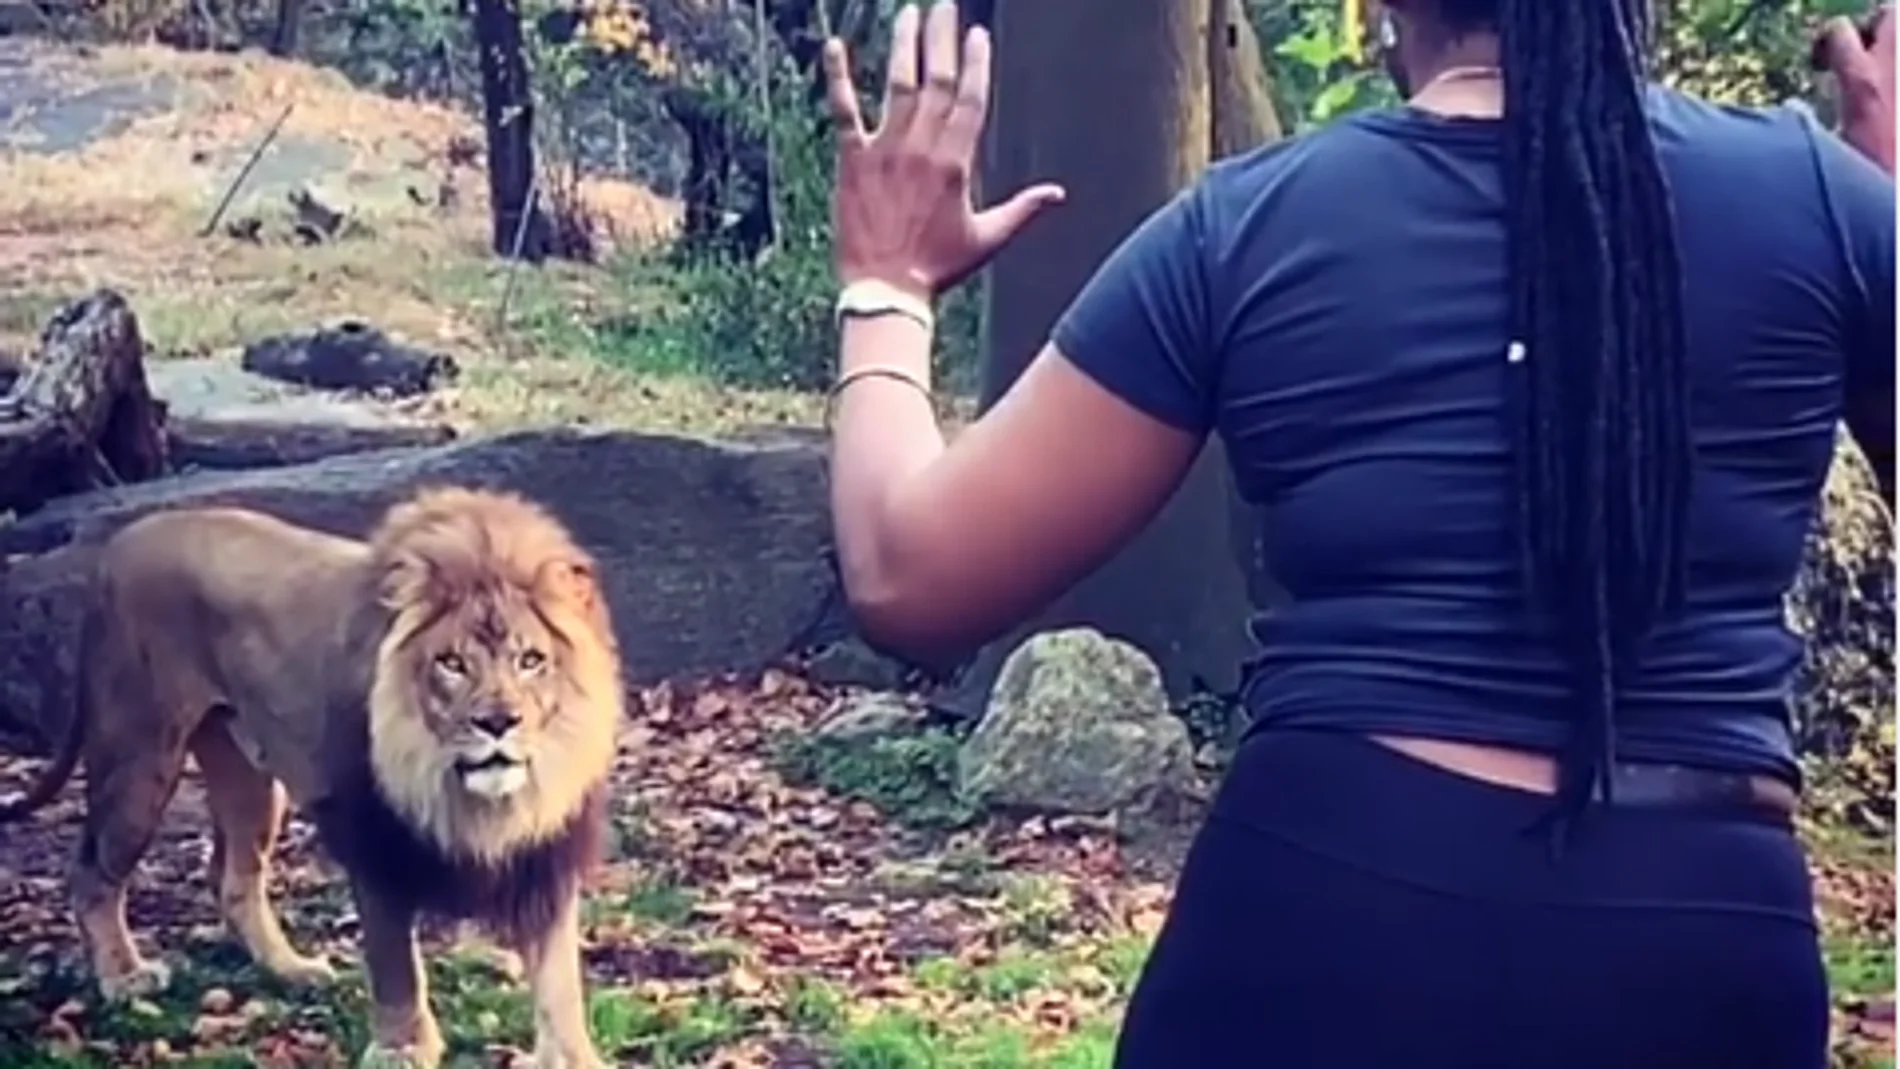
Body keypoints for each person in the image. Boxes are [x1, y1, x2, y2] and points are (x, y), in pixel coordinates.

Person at [820, 0, 1895, 1065]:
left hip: (1322, 922)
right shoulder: (1819, 202)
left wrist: (886, 286)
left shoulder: (1254, 223)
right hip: (1704, 953)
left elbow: (909, 576)